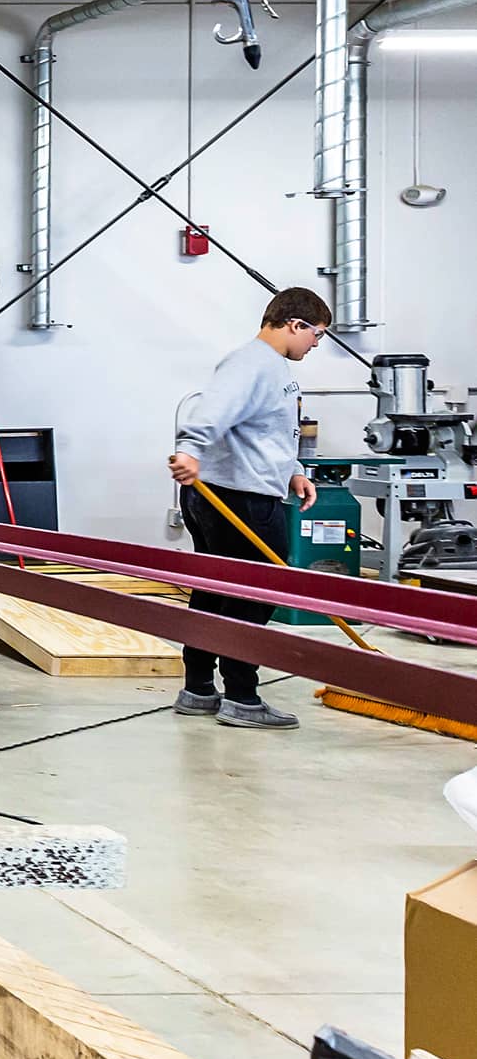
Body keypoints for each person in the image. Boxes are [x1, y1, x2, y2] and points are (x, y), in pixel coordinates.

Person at [167, 287, 329, 730]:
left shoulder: (272, 368)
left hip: (234, 489)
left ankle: (199, 688)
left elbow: (271, 429)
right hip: (239, 497)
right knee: (255, 594)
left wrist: (293, 469)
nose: (316, 344)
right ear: (294, 324)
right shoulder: (252, 363)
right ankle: (241, 695)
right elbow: (212, 410)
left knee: (213, 589)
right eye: (316, 334)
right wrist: (190, 449)